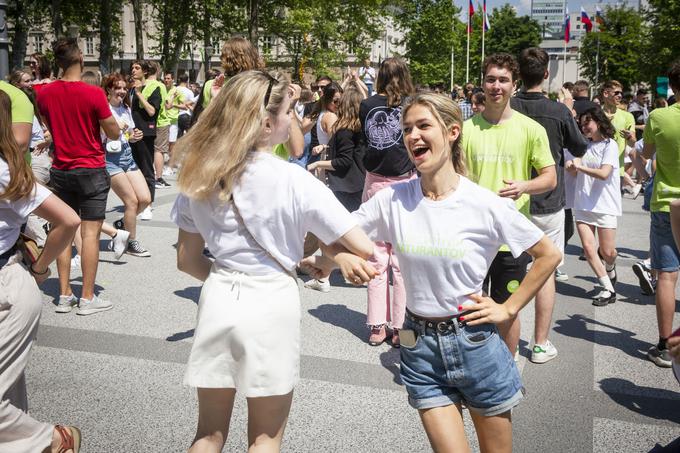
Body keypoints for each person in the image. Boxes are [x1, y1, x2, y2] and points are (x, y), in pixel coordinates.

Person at [305, 92, 560, 453]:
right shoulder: (393, 199)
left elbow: (548, 254)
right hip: (419, 346)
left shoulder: (483, 203)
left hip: (475, 344)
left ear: (452, 131)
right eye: (407, 129)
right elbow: (337, 233)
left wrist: (508, 308)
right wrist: (333, 259)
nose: (413, 136)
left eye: (424, 126)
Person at [171, 70, 374, 453]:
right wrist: (335, 254)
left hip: (219, 295)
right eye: (290, 111)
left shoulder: (198, 174)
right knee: (265, 438)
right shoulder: (294, 179)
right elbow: (361, 243)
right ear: (267, 124)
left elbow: (186, 259)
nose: (292, 118)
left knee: (208, 434)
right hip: (271, 300)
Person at [0, 90, 83, 453]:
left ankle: (54, 439)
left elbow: (69, 219)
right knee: (10, 393)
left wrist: (40, 265)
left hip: (9, 286)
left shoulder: (5, 172)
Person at [462, 53, 556, 358]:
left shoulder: (531, 129)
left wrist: (524, 186)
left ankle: (507, 367)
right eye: (491, 79)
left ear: (514, 86)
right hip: (472, 237)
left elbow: (550, 178)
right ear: (483, 83)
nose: (496, 86)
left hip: (511, 241)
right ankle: (473, 366)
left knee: (507, 311)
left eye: (503, 80)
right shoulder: (466, 130)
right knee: (468, 307)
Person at [511, 47, 588, 363]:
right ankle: (540, 342)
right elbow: (579, 146)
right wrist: (569, 113)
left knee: (508, 272)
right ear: (546, 74)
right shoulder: (557, 111)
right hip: (548, 201)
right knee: (546, 273)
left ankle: (509, 344)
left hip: (512, 200)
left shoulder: (507, 106)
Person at [37, 37, 120, 315]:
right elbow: (113, 133)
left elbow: (49, 125)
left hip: (61, 168)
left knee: (64, 231)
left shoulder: (44, 94)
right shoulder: (93, 93)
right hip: (92, 169)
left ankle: (63, 294)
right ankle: (87, 298)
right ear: (81, 58)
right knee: (91, 234)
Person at [359, 57, 417, 347]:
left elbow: (365, 143)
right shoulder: (410, 104)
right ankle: (400, 326)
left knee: (377, 258)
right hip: (405, 181)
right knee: (401, 261)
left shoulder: (367, 105)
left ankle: (377, 325)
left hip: (375, 181)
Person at [641, 59, 680, 368]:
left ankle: (666, 346)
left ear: (672, 86)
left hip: (667, 204)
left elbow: (648, 155)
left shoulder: (658, 116)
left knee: (666, 276)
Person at [567, 108, 622, 306]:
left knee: (608, 252)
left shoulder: (610, 145)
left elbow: (604, 173)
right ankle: (608, 288)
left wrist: (579, 166)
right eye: (581, 125)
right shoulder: (583, 146)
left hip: (605, 205)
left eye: (587, 123)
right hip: (583, 204)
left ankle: (610, 265)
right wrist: (571, 168)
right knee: (589, 249)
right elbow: (575, 174)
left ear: (598, 122)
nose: (584, 128)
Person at [101, 73, 152, 257]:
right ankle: (131, 242)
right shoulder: (103, 109)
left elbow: (129, 134)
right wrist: (116, 129)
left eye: (124, 88)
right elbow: (100, 135)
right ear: (108, 89)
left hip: (126, 154)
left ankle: (123, 224)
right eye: (118, 88)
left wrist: (134, 136)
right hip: (109, 158)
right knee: (131, 202)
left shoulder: (125, 108)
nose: (122, 91)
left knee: (145, 199)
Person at [307, 88, 366, 212]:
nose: (338, 104)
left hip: (346, 188)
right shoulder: (359, 129)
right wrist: (325, 147)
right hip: (356, 184)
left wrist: (318, 163)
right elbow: (350, 151)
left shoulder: (345, 131)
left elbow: (344, 161)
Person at [129, 60, 162, 221]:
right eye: (132, 68)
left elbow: (151, 111)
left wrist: (140, 94)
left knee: (147, 169)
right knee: (133, 170)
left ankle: (148, 204)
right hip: (131, 134)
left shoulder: (154, 88)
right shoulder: (129, 89)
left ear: (145, 72)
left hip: (146, 134)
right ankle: (138, 201)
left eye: (137, 68)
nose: (133, 70)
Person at [600, 80, 638, 194]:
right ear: (606, 94)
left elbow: (632, 143)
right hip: (596, 168)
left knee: (613, 209)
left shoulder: (627, 116)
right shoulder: (595, 113)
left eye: (621, 93)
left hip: (617, 170)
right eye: (616, 93)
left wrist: (629, 137)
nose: (620, 96)